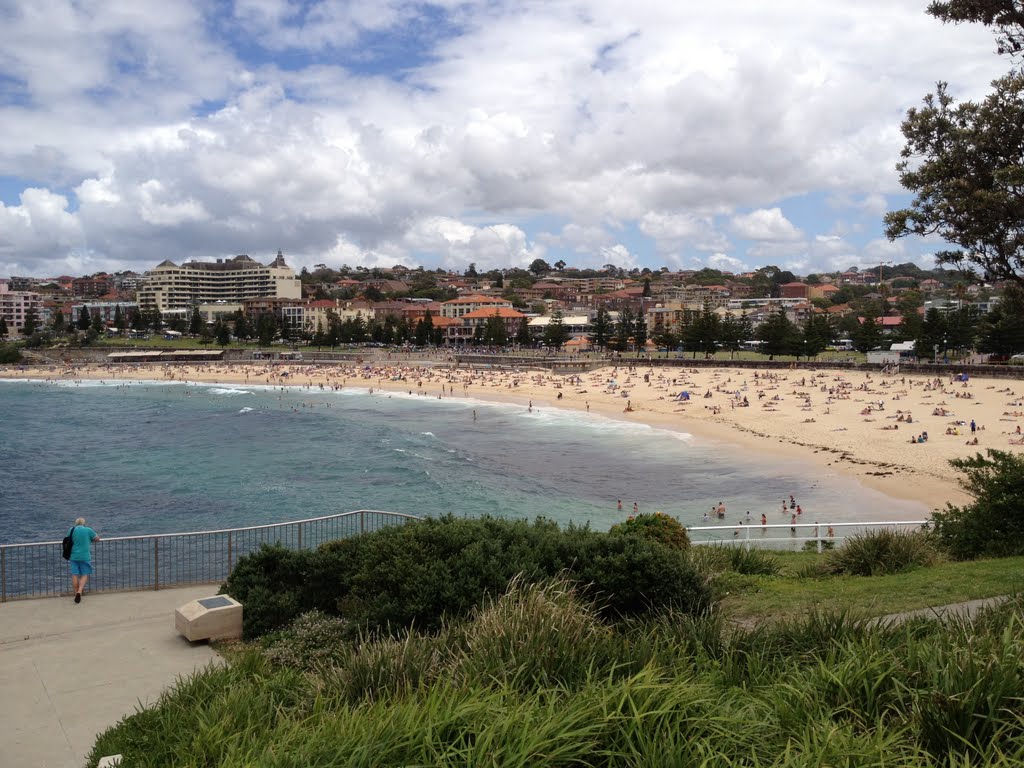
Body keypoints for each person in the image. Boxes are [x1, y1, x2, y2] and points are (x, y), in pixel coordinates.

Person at [67, 517, 100, 603]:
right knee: (84, 574)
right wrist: (89, 540)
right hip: (85, 556)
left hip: (73, 556)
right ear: (84, 523)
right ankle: (79, 591)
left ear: (76, 523)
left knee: (74, 574)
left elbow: (67, 539)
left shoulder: (71, 530)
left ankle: (75, 593)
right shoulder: (88, 530)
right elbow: (97, 538)